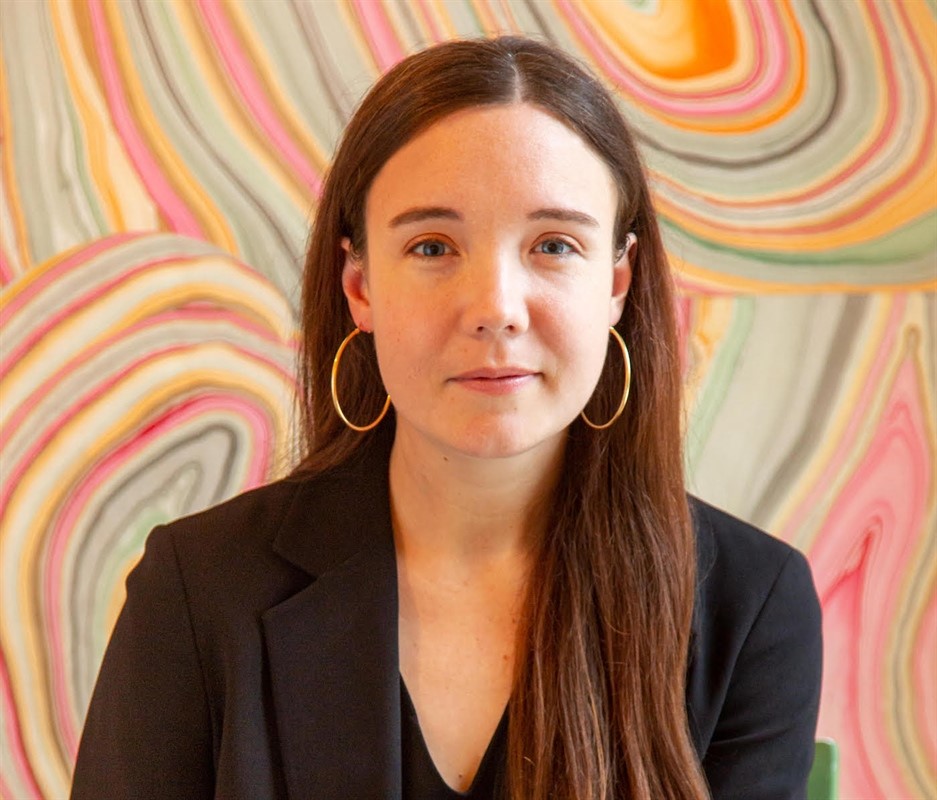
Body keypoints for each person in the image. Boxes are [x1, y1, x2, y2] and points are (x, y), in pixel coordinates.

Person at [71, 36, 822, 800]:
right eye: (432, 246)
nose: (494, 307)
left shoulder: (750, 607)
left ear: (617, 284)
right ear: (359, 285)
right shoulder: (199, 590)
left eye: (553, 245)